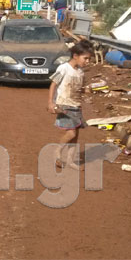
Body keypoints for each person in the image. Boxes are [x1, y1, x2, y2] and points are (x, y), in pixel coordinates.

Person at [48, 40, 93, 169]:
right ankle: (57, 153)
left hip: (76, 106)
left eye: (89, 59)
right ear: (75, 56)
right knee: (71, 134)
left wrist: (86, 90)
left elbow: (79, 88)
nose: (87, 62)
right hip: (64, 105)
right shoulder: (63, 68)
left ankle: (70, 161)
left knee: (75, 137)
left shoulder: (81, 73)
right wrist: (50, 102)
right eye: (85, 58)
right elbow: (53, 84)